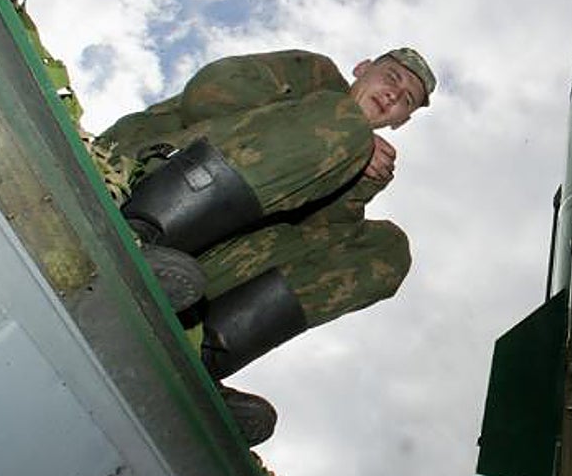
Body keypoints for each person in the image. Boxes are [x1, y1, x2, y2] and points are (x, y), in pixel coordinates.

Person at [100, 46, 436, 442]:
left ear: (400, 122)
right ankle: (138, 232)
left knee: (385, 250)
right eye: (392, 77)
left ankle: (196, 358)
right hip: (140, 183)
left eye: (406, 100)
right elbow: (208, 92)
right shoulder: (316, 81)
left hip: (186, 271)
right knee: (343, 126)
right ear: (362, 68)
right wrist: (327, 120)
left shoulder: (354, 156)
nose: (394, 95)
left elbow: (313, 235)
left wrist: (359, 183)